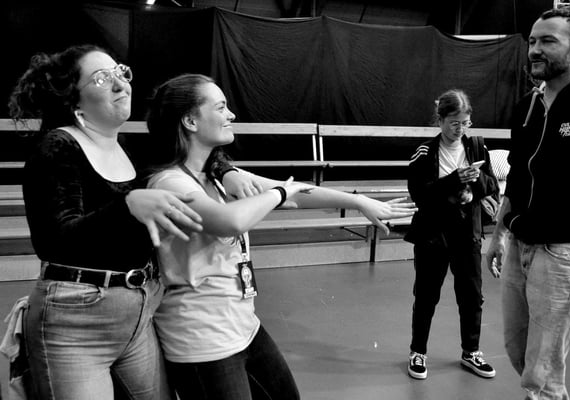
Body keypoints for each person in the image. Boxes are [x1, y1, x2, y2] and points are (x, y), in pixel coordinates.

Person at [145, 73, 418, 400]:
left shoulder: (217, 175)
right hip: (202, 341)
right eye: (220, 107)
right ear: (190, 121)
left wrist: (359, 202)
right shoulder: (170, 182)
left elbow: (299, 194)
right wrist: (278, 193)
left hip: (243, 326)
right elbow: (229, 222)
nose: (231, 114)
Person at [7, 44, 210, 400]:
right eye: (102, 78)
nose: (120, 84)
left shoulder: (128, 147)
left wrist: (226, 170)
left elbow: (188, 151)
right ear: (75, 101)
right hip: (75, 323)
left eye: (120, 72)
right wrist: (126, 206)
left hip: (138, 313)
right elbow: (54, 241)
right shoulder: (58, 147)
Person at [485, 6, 570, 399]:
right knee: (518, 352)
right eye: (532, 41)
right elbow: (517, 177)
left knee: (542, 372)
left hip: (564, 252)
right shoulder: (528, 106)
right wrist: (498, 235)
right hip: (519, 247)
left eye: (548, 41)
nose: (535, 49)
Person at [404, 89, 499, 380]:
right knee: (426, 295)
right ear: (440, 120)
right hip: (433, 233)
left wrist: (475, 183)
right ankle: (418, 352)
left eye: (465, 122)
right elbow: (418, 193)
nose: (460, 129)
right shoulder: (424, 152)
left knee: (472, 295)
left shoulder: (478, 148)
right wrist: (454, 180)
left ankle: (471, 352)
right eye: (454, 123)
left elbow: (492, 186)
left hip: (467, 233)